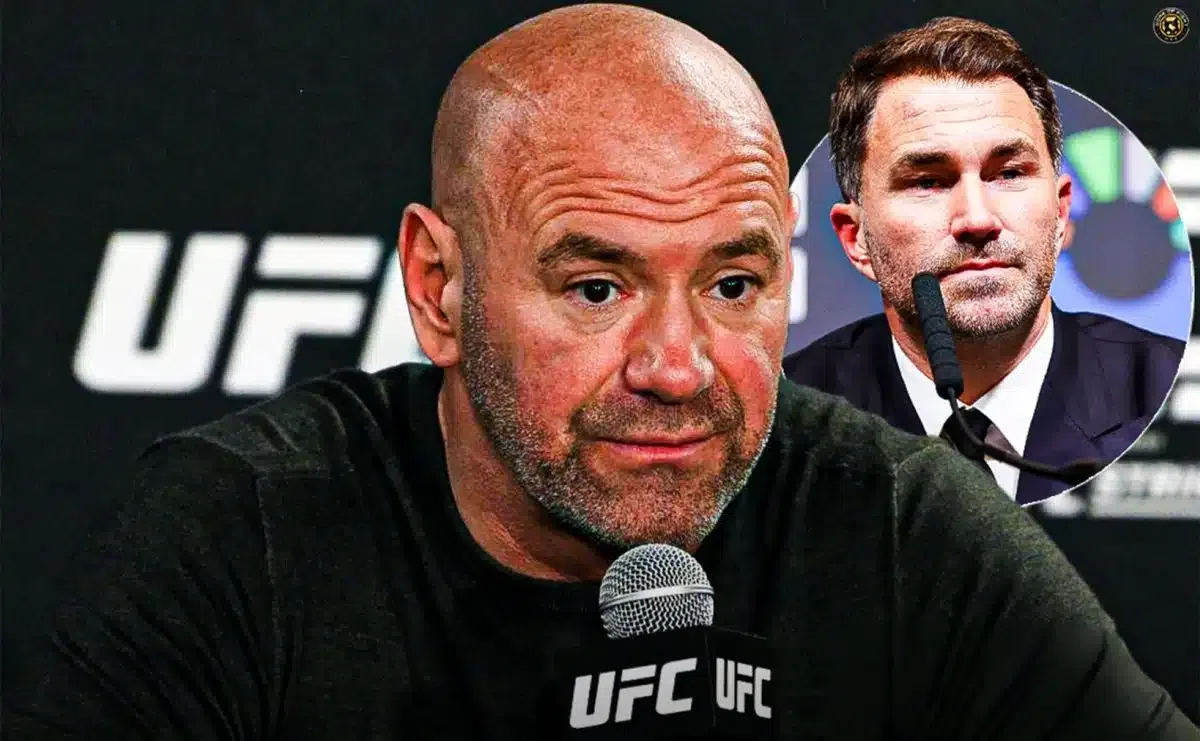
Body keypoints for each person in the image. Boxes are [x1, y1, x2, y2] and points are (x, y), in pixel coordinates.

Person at [7, 5, 1198, 739]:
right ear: (438, 287)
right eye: (596, 289)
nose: (678, 369)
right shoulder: (247, 532)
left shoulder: (896, 524)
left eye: (732, 285)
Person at [782, 17, 1185, 506]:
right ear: (857, 238)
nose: (977, 219)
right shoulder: (786, 416)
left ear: (1060, 214)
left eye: (1009, 173)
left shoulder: (1157, 387)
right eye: (927, 182)